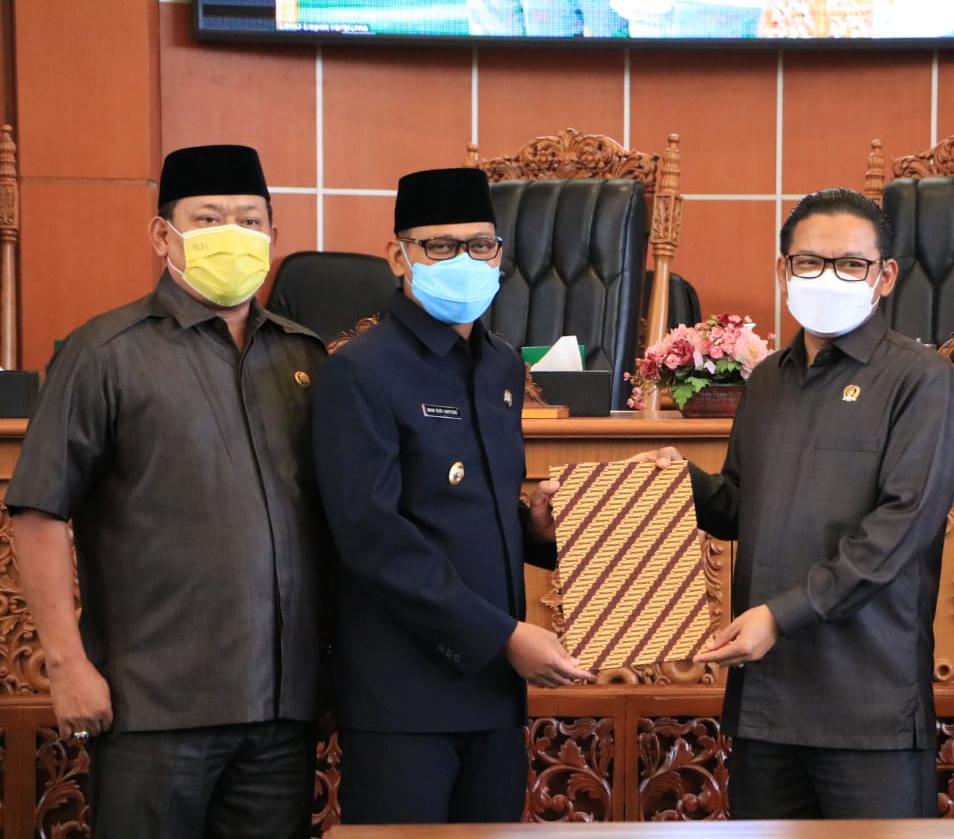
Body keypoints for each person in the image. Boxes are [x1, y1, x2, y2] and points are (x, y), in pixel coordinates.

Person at [5, 144, 329, 838]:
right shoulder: (106, 352)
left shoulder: (304, 355)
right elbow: (37, 511)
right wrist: (65, 662)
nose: (233, 235)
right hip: (152, 708)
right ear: (162, 234)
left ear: (274, 234)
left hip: (282, 709)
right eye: (209, 219)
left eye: (250, 221)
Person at [629, 188, 954, 819]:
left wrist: (782, 616)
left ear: (885, 275)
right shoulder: (766, 380)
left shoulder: (920, 379)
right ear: (784, 270)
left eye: (851, 264)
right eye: (810, 262)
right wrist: (680, 483)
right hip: (766, 701)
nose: (827, 277)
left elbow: (901, 527)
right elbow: (740, 506)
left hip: (867, 704)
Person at [311, 167, 594, 824]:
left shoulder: (502, 366)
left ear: (499, 254)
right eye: (441, 246)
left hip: (495, 691)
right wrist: (502, 636)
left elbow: (474, 505)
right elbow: (372, 537)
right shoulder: (359, 370)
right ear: (399, 255)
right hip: (403, 695)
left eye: (480, 245)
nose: (465, 261)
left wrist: (535, 527)